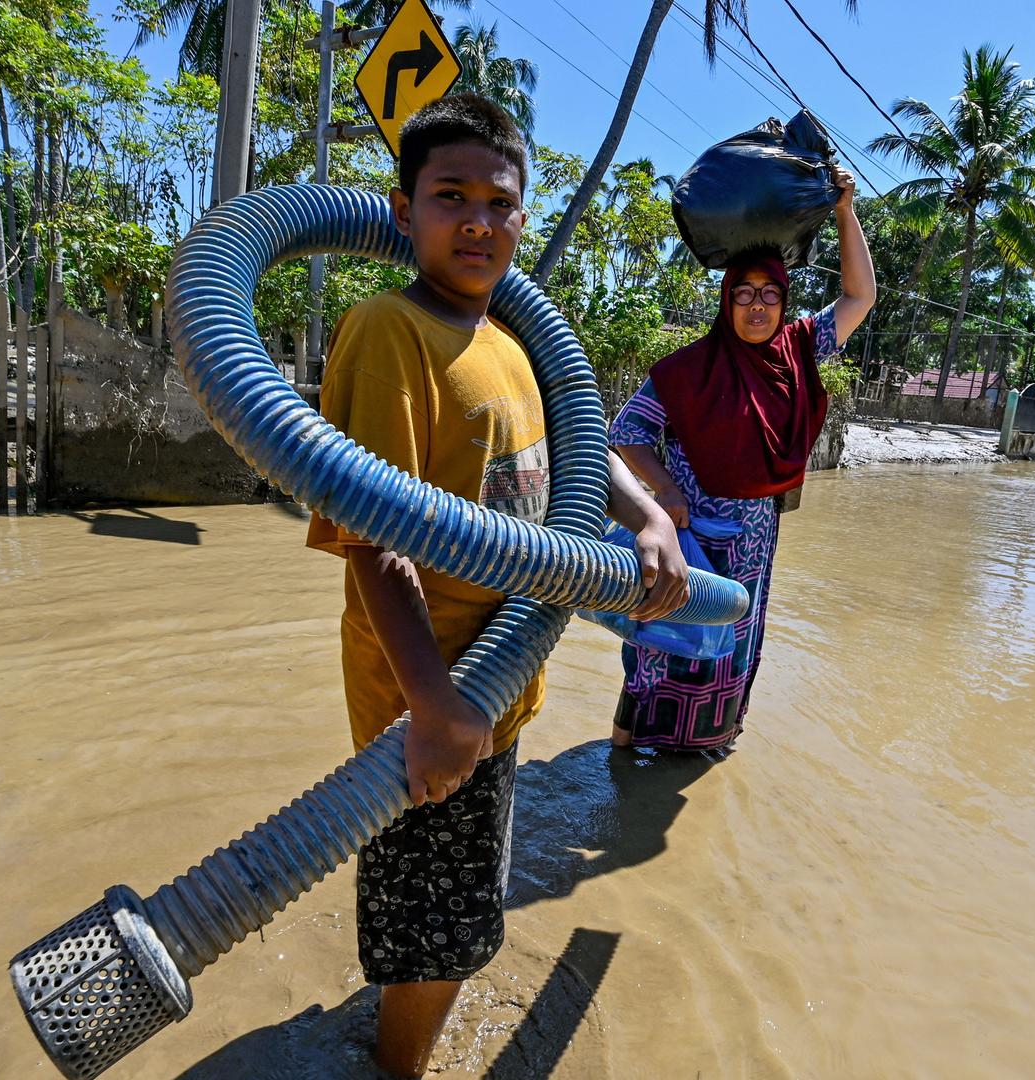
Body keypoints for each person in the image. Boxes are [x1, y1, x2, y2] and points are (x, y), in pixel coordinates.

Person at [303, 95, 690, 1078]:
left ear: (523, 216)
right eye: (450, 196)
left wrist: (647, 519)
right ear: (402, 211)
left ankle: (399, 1038)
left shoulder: (515, 342)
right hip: (423, 705)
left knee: (459, 910)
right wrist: (435, 705)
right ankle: (398, 1069)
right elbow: (374, 543)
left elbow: (576, 453)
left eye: (498, 201)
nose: (477, 219)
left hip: (497, 695)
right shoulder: (390, 331)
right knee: (431, 931)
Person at [606, 162, 875, 752]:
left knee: (733, 644)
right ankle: (626, 748)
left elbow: (860, 295)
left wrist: (845, 211)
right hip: (688, 534)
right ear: (727, 302)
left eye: (770, 295)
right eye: (745, 294)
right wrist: (667, 495)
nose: (757, 307)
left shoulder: (800, 349)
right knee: (660, 637)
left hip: (755, 541)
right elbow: (625, 433)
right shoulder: (688, 369)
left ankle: (711, 743)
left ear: (784, 302)